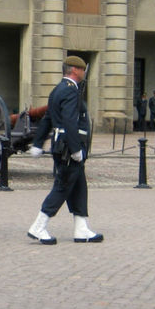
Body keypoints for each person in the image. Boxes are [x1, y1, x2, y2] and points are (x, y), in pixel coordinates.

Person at [27, 55, 103, 245]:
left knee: (78, 186)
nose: (84, 72)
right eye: (82, 69)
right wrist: (76, 148)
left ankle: (81, 227)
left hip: (63, 145)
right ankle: (39, 226)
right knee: (62, 186)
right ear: (75, 70)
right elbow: (70, 120)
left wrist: (38, 142)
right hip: (69, 147)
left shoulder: (58, 90)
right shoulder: (70, 91)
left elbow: (47, 119)